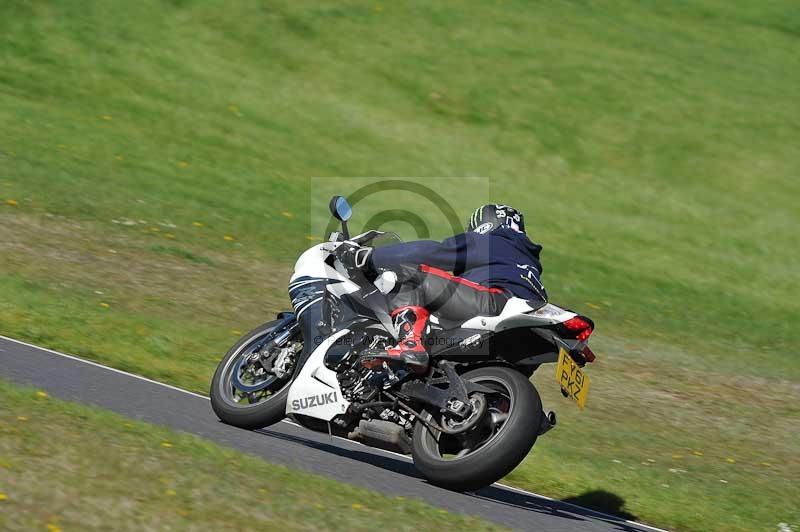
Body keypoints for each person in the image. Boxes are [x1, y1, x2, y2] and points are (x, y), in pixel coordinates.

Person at [340, 204, 548, 374]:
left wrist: (370, 257)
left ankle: (410, 342)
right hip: (520, 342)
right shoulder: (527, 265)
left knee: (409, 273)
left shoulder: (491, 242)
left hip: (492, 303)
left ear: (483, 225)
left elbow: (432, 252)